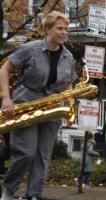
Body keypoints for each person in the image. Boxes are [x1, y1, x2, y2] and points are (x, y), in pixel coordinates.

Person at [0, 11, 77, 200]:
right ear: (47, 29)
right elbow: (5, 69)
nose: (64, 32)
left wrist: (70, 108)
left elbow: (69, 85)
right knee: (26, 153)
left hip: (52, 109)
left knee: (43, 156)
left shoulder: (68, 57)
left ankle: (33, 195)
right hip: (26, 105)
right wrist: (6, 98)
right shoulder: (30, 49)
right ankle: (9, 191)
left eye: (66, 29)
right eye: (60, 28)